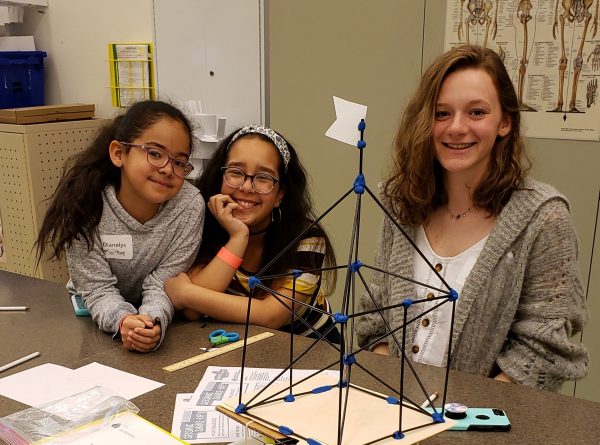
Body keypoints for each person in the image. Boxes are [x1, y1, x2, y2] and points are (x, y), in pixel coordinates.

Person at [356, 45, 588, 391]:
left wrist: (466, 412)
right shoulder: (401, 203)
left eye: (476, 112)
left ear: (505, 122)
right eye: (442, 113)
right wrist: (390, 390)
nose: (456, 127)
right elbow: (376, 317)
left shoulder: (544, 218)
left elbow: (543, 348)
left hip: (487, 415)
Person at [36, 100, 205, 352]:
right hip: (95, 315)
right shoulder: (86, 201)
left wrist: (150, 322)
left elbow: (164, 283)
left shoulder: (189, 206)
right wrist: (123, 320)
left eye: (179, 162)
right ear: (119, 153)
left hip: (158, 314)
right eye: (155, 153)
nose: (168, 169)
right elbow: (96, 287)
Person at [165, 125, 340, 343]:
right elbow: (193, 312)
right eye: (235, 172)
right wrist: (237, 238)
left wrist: (186, 294)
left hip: (310, 348)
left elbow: (270, 316)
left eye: (263, 178)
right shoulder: (203, 225)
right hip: (237, 346)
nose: (247, 187)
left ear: (279, 195)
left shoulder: (306, 237)